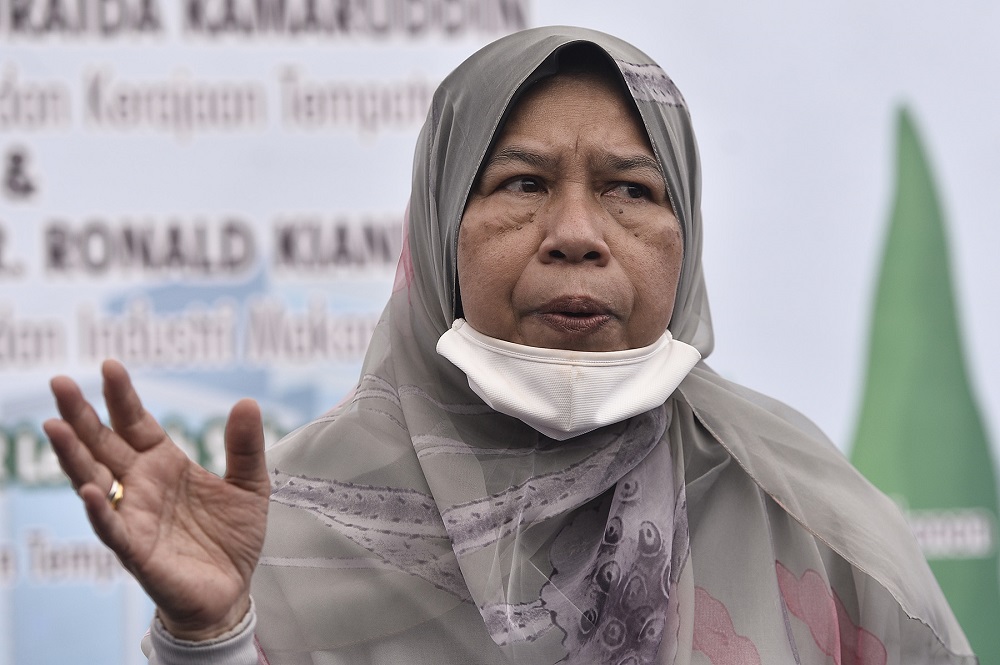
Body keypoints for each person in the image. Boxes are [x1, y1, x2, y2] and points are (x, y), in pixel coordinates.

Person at [44, 26, 975, 665]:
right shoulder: (279, 535)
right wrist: (207, 636)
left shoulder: (810, 523)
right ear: (441, 225)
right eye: (522, 183)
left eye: (632, 190)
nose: (577, 232)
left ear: (688, 238)